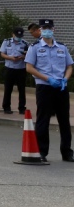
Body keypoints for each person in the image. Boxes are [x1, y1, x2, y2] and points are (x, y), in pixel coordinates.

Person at [24, 18, 73, 162]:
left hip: (61, 87)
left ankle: (67, 152)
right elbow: (29, 68)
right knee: (43, 120)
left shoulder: (62, 48)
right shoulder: (35, 47)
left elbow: (69, 66)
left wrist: (65, 79)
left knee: (64, 120)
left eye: (49, 28)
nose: (47, 31)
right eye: (44, 28)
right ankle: (42, 152)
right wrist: (47, 79)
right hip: (45, 87)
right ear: (40, 30)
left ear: (53, 30)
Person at [0, 26, 29, 114]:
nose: (18, 38)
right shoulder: (6, 42)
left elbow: (29, 55)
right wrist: (10, 58)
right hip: (9, 68)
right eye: (17, 35)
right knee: (8, 89)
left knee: (22, 89)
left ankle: (22, 108)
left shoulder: (25, 43)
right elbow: (2, 54)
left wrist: (23, 57)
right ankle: (6, 107)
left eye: (20, 36)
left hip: (21, 69)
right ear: (13, 34)